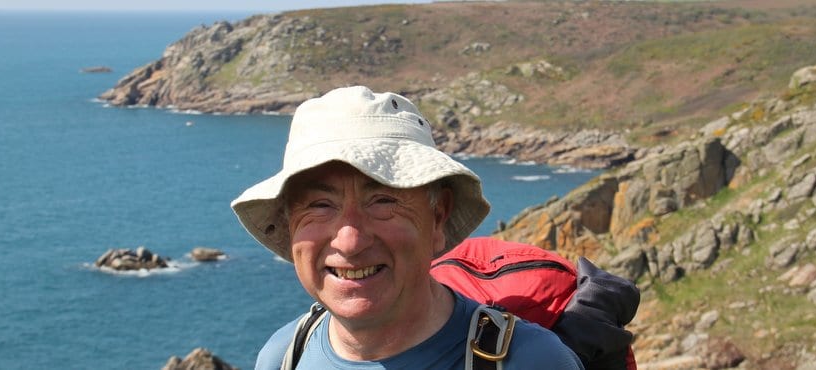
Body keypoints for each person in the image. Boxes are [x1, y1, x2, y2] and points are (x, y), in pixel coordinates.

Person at [232, 86, 583, 369]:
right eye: (320, 206)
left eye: (383, 201)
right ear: (291, 225)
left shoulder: (531, 361)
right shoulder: (284, 355)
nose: (350, 241)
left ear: (438, 217)